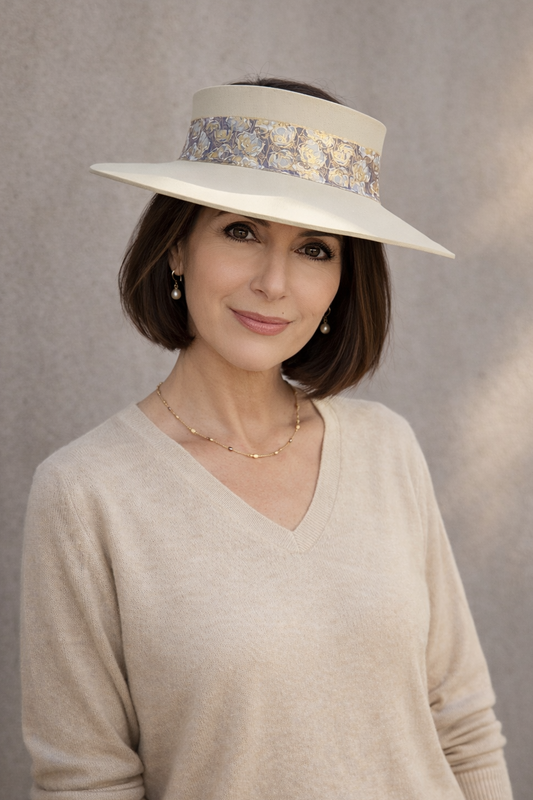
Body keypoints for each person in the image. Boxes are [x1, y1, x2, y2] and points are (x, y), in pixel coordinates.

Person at [20, 77, 514, 800]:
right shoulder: (87, 493)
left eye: (314, 248)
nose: (275, 282)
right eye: (241, 231)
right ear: (177, 247)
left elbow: (463, 727)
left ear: (342, 281)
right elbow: (85, 780)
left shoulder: (386, 449)